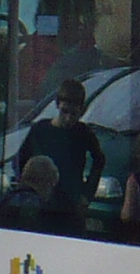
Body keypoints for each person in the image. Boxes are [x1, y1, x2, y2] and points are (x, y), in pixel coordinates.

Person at [17, 80, 106, 222]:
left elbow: (99, 160)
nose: (68, 118)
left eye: (74, 113)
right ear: (57, 105)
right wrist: (29, 190)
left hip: (72, 206)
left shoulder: (83, 133)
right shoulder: (40, 130)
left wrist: (87, 194)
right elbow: (21, 160)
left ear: (81, 110)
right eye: (64, 111)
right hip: (42, 206)